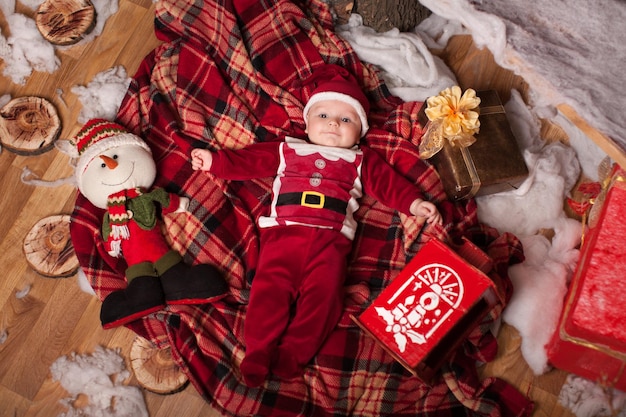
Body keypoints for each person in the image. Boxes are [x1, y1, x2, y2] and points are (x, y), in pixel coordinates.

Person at [190, 65, 442, 387]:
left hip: (331, 243)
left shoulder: (360, 160)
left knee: (324, 300)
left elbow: (389, 185)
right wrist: (215, 162)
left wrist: (414, 203)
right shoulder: (288, 149)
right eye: (323, 116)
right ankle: (257, 350)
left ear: (359, 132)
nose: (334, 123)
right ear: (307, 122)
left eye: (346, 119)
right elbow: (250, 160)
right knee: (269, 291)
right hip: (284, 234)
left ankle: (293, 355)